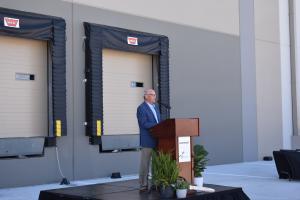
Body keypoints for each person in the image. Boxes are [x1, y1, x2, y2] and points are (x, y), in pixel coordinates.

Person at [136, 89, 161, 192]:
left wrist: (161, 125)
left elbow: (158, 121)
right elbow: (143, 123)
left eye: (155, 95)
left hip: (158, 139)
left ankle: (155, 183)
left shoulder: (156, 107)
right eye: (152, 95)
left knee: (156, 163)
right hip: (147, 140)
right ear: (146, 96)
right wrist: (158, 125)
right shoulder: (141, 108)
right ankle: (143, 185)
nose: (155, 96)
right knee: (145, 164)